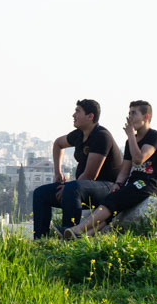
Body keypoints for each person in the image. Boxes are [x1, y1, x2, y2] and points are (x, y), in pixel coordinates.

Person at [63, 101, 157, 239]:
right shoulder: (130, 142)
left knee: (115, 200)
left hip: (150, 183)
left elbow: (139, 158)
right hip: (133, 181)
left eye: (134, 113)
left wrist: (131, 135)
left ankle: (78, 229)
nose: (130, 117)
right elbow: (125, 170)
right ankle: (84, 236)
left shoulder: (155, 137)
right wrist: (118, 184)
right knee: (113, 201)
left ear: (146, 116)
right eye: (129, 113)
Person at [31, 99, 123, 239]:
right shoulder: (78, 134)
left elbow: (90, 175)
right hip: (83, 187)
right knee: (40, 194)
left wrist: (68, 187)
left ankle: (68, 234)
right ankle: (40, 239)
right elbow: (58, 144)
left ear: (90, 116)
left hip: (108, 188)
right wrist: (58, 173)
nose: (73, 115)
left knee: (72, 189)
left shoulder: (101, 136)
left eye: (78, 111)